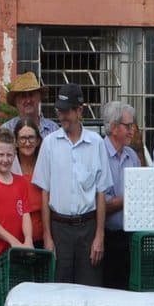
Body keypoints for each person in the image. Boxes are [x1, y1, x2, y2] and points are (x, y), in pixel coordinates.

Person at [33, 84, 108, 285]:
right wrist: (47, 237)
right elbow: (44, 193)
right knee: (59, 291)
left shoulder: (96, 143)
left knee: (90, 290)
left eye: (66, 111)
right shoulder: (49, 143)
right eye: (59, 111)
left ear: (80, 110)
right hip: (60, 228)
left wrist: (99, 236)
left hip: (88, 227)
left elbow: (101, 193)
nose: (62, 116)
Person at [100, 101, 142, 291]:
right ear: (113, 127)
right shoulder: (98, 153)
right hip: (106, 237)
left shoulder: (132, 155)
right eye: (128, 126)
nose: (132, 130)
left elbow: (142, 191)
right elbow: (100, 203)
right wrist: (130, 198)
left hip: (130, 238)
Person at [0, 129, 33, 267]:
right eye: (1, 154)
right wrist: (13, 241)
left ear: (15, 155)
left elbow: (26, 214)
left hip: (20, 254)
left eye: (9, 155)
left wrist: (28, 240)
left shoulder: (22, 182)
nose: (5, 159)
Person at [14, 123, 46, 247]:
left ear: (38, 141)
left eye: (31, 138)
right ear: (15, 142)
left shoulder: (44, 166)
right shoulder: (9, 168)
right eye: (22, 138)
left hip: (43, 239)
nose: (27, 143)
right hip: (16, 241)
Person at [3, 72, 58, 139]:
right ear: (16, 102)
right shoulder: (6, 130)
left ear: (39, 98)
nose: (28, 100)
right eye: (23, 96)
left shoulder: (53, 130)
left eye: (31, 95)